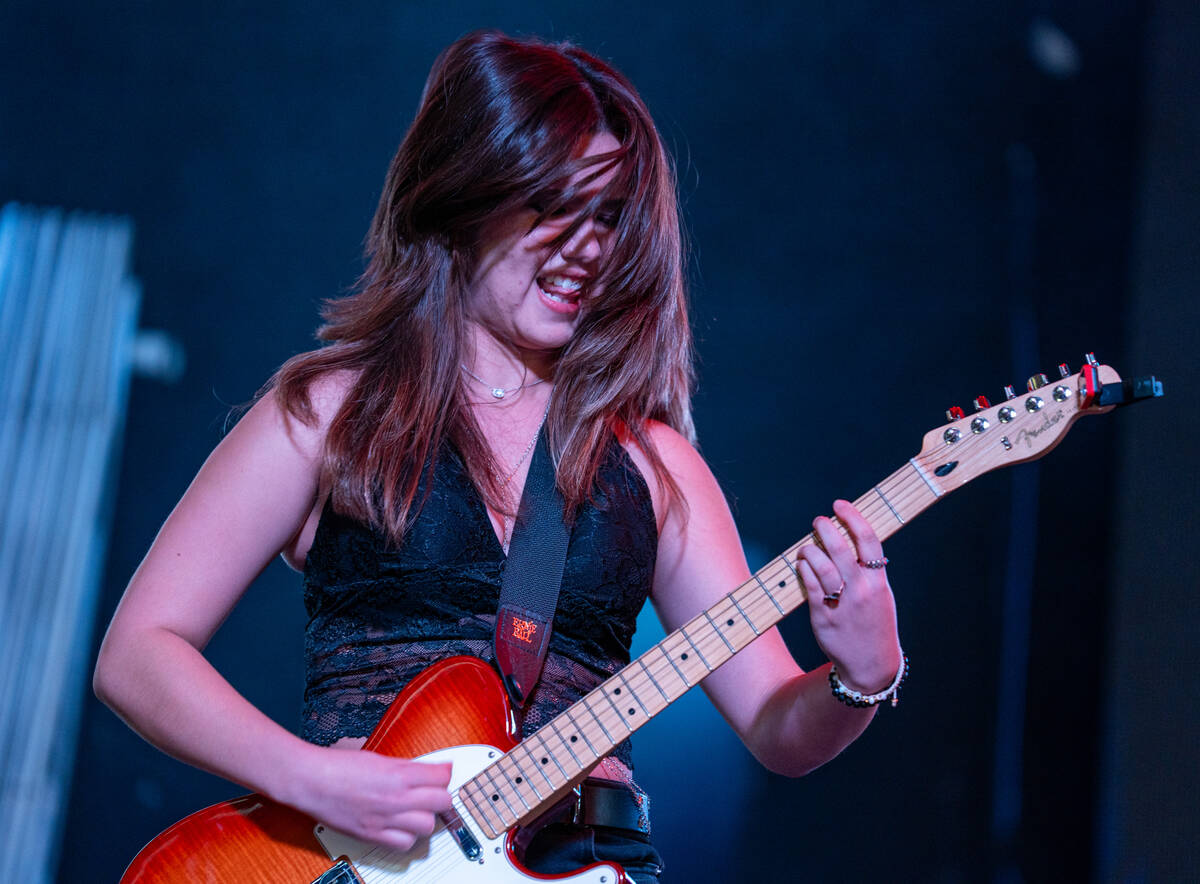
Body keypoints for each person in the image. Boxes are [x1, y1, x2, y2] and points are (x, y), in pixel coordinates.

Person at [93, 30, 903, 883]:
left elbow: (778, 727)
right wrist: (311, 777)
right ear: (468, 192)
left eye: (610, 217)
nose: (588, 247)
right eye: (556, 205)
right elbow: (139, 652)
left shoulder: (656, 467)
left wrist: (864, 673)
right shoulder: (333, 411)